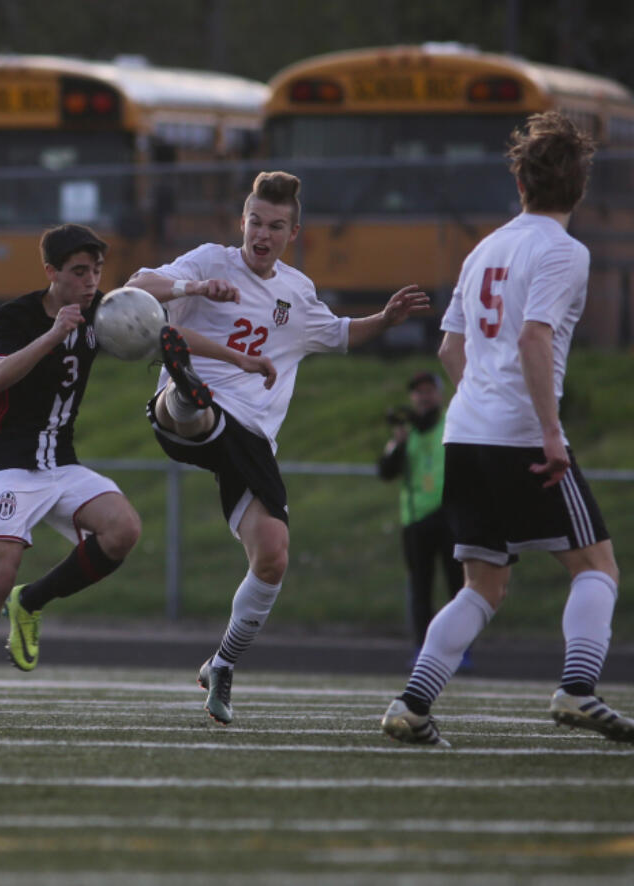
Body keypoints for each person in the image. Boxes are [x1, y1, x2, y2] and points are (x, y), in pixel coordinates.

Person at [380, 111, 634, 747]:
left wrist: (483, 398)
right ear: (579, 188)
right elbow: (534, 336)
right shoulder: (564, 251)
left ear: (520, 183)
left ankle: (412, 704)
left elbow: (451, 350)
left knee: (483, 585)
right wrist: (551, 434)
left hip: (464, 435)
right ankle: (578, 689)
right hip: (522, 436)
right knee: (597, 567)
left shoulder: (484, 249)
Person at [127, 171, 429, 725]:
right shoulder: (210, 261)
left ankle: (221, 663)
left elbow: (338, 334)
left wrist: (383, 320)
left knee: (273, 556)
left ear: (294, 232)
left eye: (275, 226)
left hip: (252, 441)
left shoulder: (297, 292)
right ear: (241, 221)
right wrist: (192, 290)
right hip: (200, 419)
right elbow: (139, 287)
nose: (262, 234)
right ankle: (183, 392)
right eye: (255, 222)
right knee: (197, 414)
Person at [0, 223, 142, 726]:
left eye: (96, 272)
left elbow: (151, 309)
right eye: (79, 272)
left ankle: (34, 600)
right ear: (51, 273)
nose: (90, 283)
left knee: (124, 528)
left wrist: (197, 312)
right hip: (8, 461)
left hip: (60, 461)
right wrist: (52, 335)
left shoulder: (100, 311)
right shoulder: (17, 315)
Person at [377, 370, 466, 662]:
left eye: (429, 391)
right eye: (418, 392)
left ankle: (458, 650)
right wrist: (398, 443)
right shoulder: (407, 433)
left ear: (439, 395)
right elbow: (385, 472)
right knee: (420, 588)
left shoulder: (451, 424)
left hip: (451, 516)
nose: (424, 397)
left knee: (459, 588)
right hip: (416, 520)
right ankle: (423, 650)